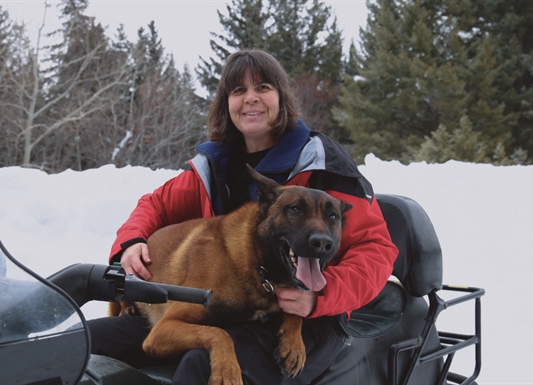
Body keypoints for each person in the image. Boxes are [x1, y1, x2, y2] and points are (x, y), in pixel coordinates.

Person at [86, 49, 398, 384]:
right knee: (81, 341)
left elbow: (375, 249)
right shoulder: (213, 165)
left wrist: (319, 297)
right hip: (224, 303)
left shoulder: (324, 164)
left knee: (200, 365)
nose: (251, 98)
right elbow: (155, 206)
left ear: (281, 97)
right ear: (226, 104)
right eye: (238, 91)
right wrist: (131, 243)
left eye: (263, 87)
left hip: (310, 317)